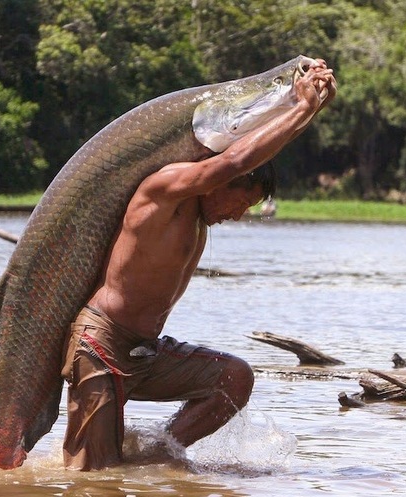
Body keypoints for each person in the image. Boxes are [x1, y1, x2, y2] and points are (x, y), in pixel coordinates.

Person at [60, 62, 337, 471]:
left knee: (234, 378)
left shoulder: (199, 219)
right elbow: (231, 161)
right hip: (101, 346)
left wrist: (312, 105)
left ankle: (157, 453)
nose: (239, 215)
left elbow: (242, 156)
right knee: (91, 479)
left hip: (146, 351)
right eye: (241, 202)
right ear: (219, 183)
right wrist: (299, 107)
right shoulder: (165, 189)